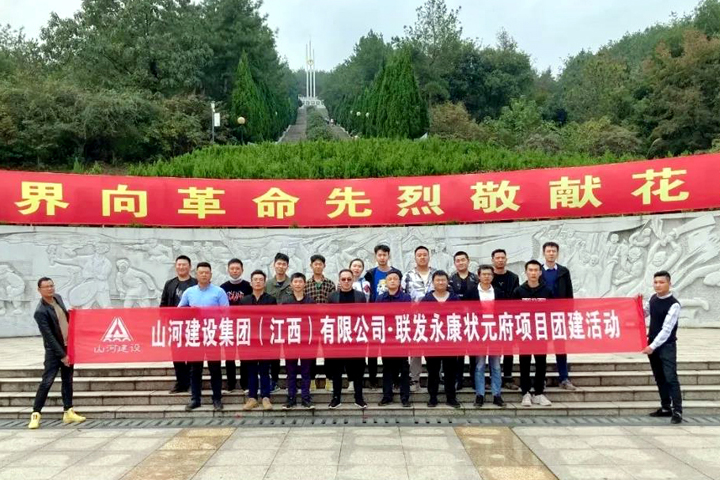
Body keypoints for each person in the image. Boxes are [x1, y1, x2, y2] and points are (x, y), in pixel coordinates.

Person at [28, 277, 86, 429]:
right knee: (47, 381)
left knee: (68, 380)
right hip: (54, 352)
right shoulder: (40, 312)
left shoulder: (58, 298)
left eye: (51, 286)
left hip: (68, 346)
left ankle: (68, 411)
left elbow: (64, 319)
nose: (50, 289)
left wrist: (73, 313)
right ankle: (36, 413)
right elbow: (49, 337)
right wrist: (62, 355)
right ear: (39, 290)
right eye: (46, 287)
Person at [178, 262, 229, 412]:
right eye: (201, 272)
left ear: (211, 275)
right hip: (195, 336)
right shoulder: (189, 292)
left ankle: (217, 399)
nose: (204, 275)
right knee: (195, 370)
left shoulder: (219, 292)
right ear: (196, 274)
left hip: (212, 335)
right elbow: (179, 311)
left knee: (215, 369)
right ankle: (195, 399)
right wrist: (189, 311)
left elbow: (226, 313)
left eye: (207, 272)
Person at [642, 271, 683, 424]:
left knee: (670, 377)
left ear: (669, 284)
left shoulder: (674, 304)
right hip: (652, 344)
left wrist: (652, 346)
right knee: (659, 376)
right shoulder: (653, 299)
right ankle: (666, 407)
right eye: (656, 282)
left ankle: (677, 410)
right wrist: (635, 303)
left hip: (666, 346)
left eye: (661, 282)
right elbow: (643, 313)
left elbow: (667, 330)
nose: (658, 285)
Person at [513, 260, 553, 408]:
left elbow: (552, 312)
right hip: (525, 333)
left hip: (541, 334)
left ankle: (539, 393)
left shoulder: (547, 291)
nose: (533, 273)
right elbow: (513, 313)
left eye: (536, 270)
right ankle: (525, 393)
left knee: (541, 364)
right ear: (526, 272)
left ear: (540, 272)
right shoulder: (519, 291)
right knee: (524, 364)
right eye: (530, 270)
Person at [327, 269, 368, 409]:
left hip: (356, 339)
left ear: (353, 280)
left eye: (349, 279)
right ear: (339, 280)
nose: (346, 282)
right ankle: (336, 398)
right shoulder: (332, 296)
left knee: (358, 371)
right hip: (338, 339)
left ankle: (359, 398)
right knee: (337, 371)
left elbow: (364, 316)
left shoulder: (360, 296)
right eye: (343, 279)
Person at [422, 270, 461, 408]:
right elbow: (421, 319)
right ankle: (433, 397)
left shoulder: (454, 298)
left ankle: (451, 397)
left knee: (450, 371)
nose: (440, 282)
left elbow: (460, 318)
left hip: (450, 341)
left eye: (443, 280)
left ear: (447, 282)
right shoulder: (426, 299)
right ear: (433, 282)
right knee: (433, 371)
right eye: (437, 280)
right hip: (432, 341)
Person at [541, 242, 577, 391]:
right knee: (541, 348)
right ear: (544, 253)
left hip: (559, 316)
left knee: (560, 347)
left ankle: (564, 378)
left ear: (557, 253)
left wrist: (569, 315)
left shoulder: (563, 272)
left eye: (553, 251)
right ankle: (541, 378)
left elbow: (569, 294)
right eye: (548, 251)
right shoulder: (537, 270)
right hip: (542, 316)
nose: (551, 253)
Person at [160, 255, 197, 394]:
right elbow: (163, 304)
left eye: (184, 265)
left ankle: (193, 382)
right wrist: (165, 320)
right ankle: (181, 383)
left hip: (193, 325)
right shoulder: (170, 284)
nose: (181, 267)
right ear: (175, 266)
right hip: (175, 325)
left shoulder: (196, 283)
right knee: (177, 355)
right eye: (179, 265)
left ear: (190, 267)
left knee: (192, 355)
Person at [241, 270, 278, 411]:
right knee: (251, 370)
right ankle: (252, 397)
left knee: (264, 369)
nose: (257, 282)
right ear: (251, 283)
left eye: (260, 279)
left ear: (264, 282)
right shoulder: (244, 301)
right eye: (255, 279)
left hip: (265, 340)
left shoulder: (271, 300)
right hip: (250, 340)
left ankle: (265, 397)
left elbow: (273, 319)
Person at [402, 246, 437, 392]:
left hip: (435, 319)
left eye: (424, 255)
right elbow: (403, 296)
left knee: (435, 350)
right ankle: (414, 379)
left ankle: (435, 379)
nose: (422, 257)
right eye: (419, 255)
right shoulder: (408, 276)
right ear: (415, 258)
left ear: (429, 256)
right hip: (415, 318)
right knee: (415, 350)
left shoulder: (437, 274)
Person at [376, 271, 411, 407]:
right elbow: (378, 316)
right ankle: (387, 396)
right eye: (389, 279)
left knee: (404, 368)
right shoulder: (380, 298)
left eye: (395, 279)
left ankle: (405, 397)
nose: (392, 281)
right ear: (386, 282)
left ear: (399, 282)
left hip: (401, 336)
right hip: (386, 338)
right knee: (387, 368)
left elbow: (405, 314)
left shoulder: (405, 297)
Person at [280, 272, 314, 409]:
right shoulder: (286, 302)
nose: (298, 284)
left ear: (304, 284)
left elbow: (314, 321)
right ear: (291, 284)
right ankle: (291, 398)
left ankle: (306, 398)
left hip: (306, 341)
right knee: (291, 371)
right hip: (291, 341)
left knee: (306, 371)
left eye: (300, 282)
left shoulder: (310, 301)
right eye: (295, 282)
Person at [474, 265, 506, 408]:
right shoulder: (472, 293)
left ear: (493, 276)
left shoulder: (499, 293)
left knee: (496, 365)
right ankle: (480, 395)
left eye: (489, 274)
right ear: (479, 276)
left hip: (495, 334)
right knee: (480, 365)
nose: (486, 277)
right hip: (479, 334)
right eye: (484, 274)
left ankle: (496, 394)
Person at [304, 254, 337, 390]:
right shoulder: (306, 284)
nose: (318, 266)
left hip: (326, 322)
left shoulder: (330, 284)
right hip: (310, 323)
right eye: (315, 264)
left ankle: (329, 379)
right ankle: (311, 380)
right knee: (310, 352)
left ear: (324, 266)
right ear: (311, 266)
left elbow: (333, 302)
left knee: (328, 352)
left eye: (320, 264)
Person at [219, 258, 252, 392]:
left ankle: (245, 383)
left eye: (237, 268)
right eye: (232, 268)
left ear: (242, 270)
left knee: (245, 356)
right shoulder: (222, 288)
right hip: (228, 325)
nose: (235, 271)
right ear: (228, 270)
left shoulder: (248, 286)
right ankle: (230, 383)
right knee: (229, 356)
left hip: (244, 325)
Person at [491, 249, 520, 391]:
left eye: (502, 257)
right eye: (497, 258)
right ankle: (493, 377)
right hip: (492, 318)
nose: (500, 260)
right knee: (493, 349)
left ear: (506, 259)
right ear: (492, 260)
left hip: (508, 317)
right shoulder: (488, 276)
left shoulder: (513, 277)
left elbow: (515, 297)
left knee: (508, 348)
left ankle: (508, 377)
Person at [450, 251, 479, 391]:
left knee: (474, 351)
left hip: (474, 319)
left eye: (463, 260)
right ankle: (458, 379)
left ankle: (474, 379)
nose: (461, 262)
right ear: (455, 263)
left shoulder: (476, 279)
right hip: (457, 319)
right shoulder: (450, 279)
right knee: (458, 352)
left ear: (468, 261)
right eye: (458, 260)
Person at [266, 253, 292, 392]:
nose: (281, 266)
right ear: (274, 265)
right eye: (279, 264)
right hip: (273, 324)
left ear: (287, 266)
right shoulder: (267, 284)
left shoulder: (293, 283)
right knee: (273, 354)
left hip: (289, 324)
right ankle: (274, 380)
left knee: (290, 354)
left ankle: (290, 381)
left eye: (284, 264)